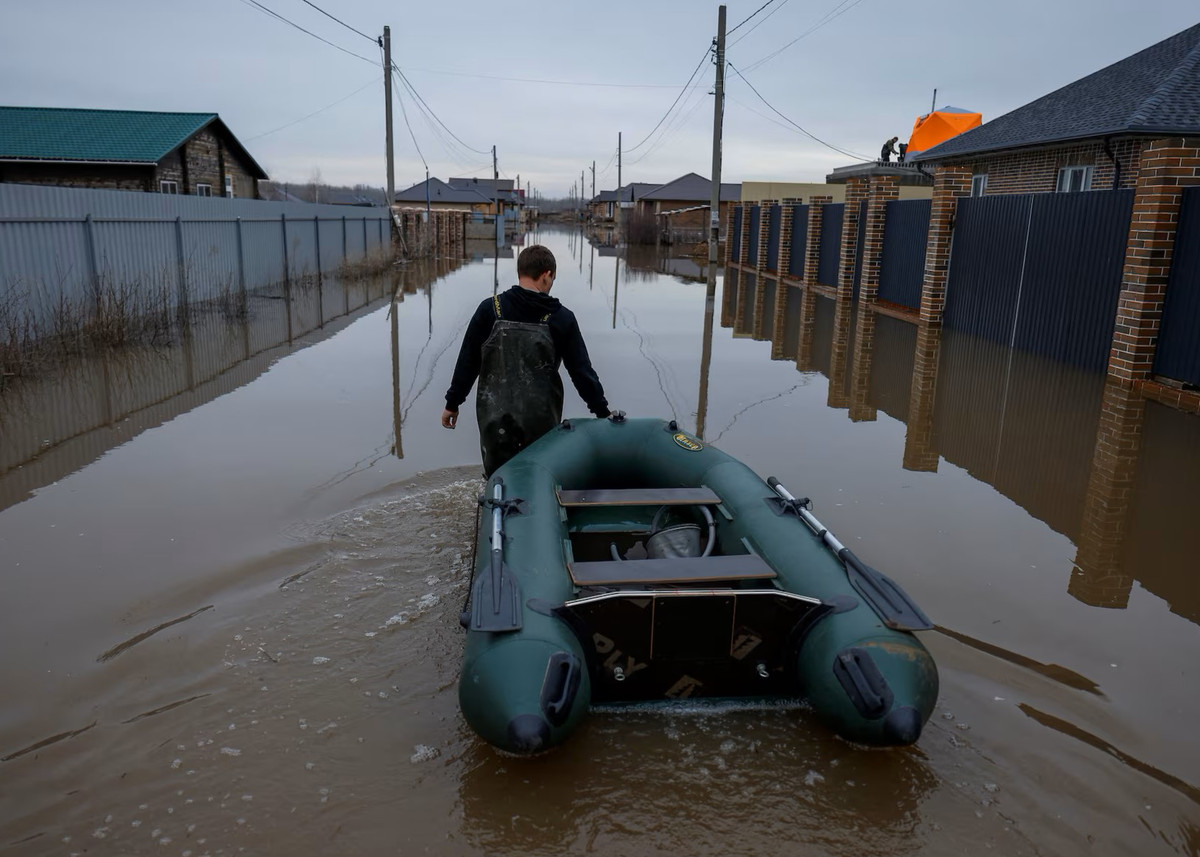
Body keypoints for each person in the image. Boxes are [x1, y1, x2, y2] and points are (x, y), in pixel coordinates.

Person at [441, 244, 610, 476]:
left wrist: (453, 403)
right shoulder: (562, 318)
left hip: (495, 420)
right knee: (536, 477)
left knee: (497, 479)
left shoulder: (489, 309)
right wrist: (602, 411)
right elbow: (581, 372)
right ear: (546, 275)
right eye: (553, 279)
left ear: (520, 272)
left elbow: (468, 361)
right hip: (541, 422)